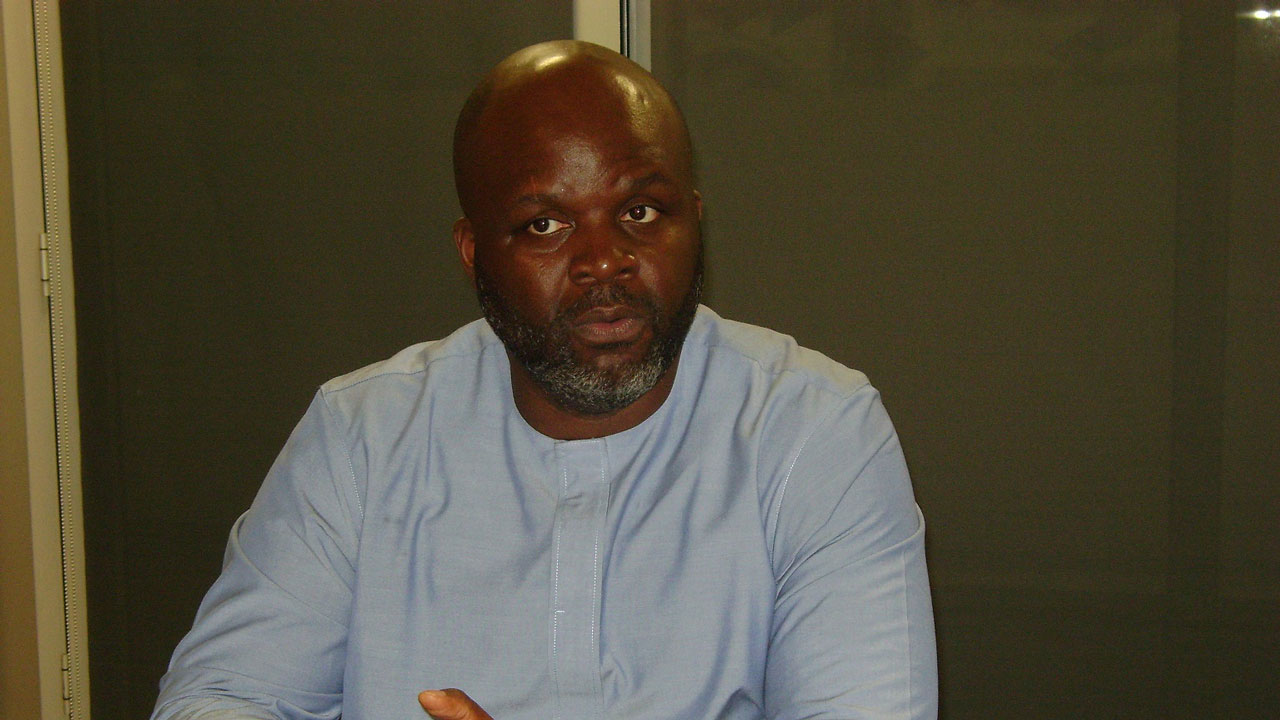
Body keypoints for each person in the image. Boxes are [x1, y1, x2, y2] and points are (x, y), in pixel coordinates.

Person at [151, 40, 937, 720]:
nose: (605, 263)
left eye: (641, 211)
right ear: (474, 255)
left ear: (695, 221)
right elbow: (217, 696)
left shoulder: (813, 434)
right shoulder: (365, 436)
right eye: (545, 225)